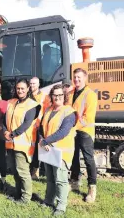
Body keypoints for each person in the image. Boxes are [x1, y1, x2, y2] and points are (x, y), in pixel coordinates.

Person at [39, 84, 77, 216]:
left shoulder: (69, 112)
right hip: (48, 150)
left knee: (60, 180)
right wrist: (42, 140)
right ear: (51, 96)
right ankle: (49, 200)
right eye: (55, 95)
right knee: (50, 178)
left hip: (61, 152)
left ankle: (61, 206)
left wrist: (45, 141)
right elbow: (41, 128)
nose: (57, 97)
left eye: (60, 95)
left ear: (64, 96)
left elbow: (64, 132)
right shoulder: (48, 110)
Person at [4, 78, 40, 204]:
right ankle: (17, 193)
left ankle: (25, 198)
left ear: (28, 89)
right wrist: (5, 132)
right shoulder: (11, 102)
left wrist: (12, 134)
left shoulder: (32, 105)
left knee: (23, 172)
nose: (20, 91)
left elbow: (26, 124)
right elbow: (5, 119)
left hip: (22, 144)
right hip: (10, 143)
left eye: (22, 88)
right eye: (18, 88)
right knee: (14, 171)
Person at [68, 68, 98, 203]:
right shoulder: (71, 93)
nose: (76, 80)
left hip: (85, 131)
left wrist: (74, 127)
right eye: (75, 77)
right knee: (73, 157)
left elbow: (88, 117)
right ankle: (74, 181)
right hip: (72, 130)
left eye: (79, 77)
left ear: (85, 78)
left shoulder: (90, 94)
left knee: (88, 159)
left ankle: (92, 188)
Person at [29, 77, 50, 180]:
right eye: (31, 83)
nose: (32, 85)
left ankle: (35, 170)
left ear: (38, 84)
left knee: (37, 149)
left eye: (34, 83)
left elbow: (46, 111)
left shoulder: (44, 97)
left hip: (38, 126)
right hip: (28, 126)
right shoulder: (27, 96)